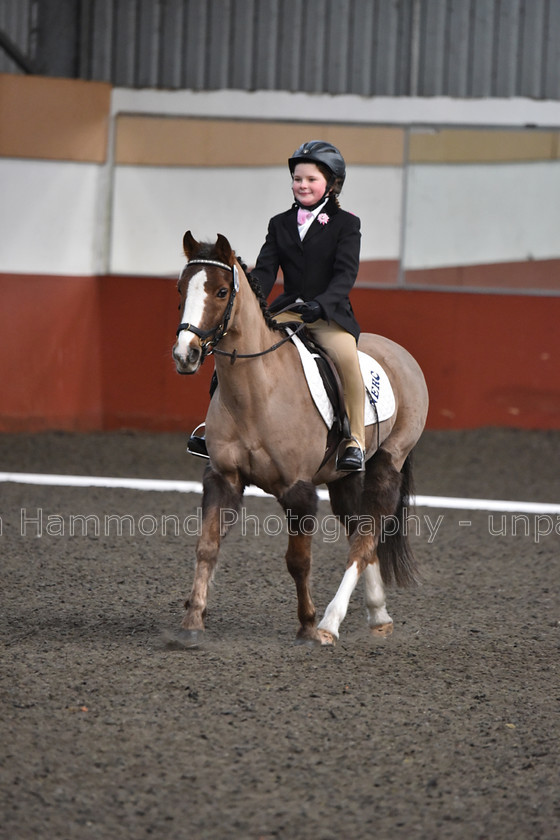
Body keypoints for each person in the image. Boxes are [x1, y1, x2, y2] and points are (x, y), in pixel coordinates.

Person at [250, 140, 365, 471]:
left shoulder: (346, 224)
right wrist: (251, 300)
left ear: (331, 184)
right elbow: (265, 271)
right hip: (289, 311)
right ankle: (216, 426)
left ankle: (355, 439)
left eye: (310, 179)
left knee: (347, 361)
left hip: (329, 315)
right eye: (297, 179)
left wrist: (322, 304)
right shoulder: (279, 223)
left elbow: (346, 275)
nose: (302, 185)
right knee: (239, 349)